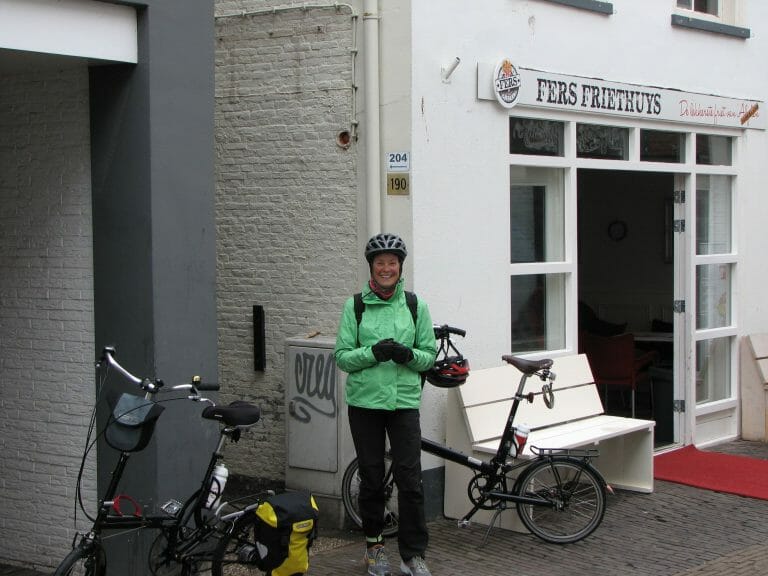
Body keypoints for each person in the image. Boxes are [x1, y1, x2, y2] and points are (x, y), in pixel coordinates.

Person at [335, 233, 438, 576]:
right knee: (372, 479)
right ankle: (374, 549)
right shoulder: (355, 306)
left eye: (392, 263)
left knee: (410, 480)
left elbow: (429, 356)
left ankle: (412, 556)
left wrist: (408, 355)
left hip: (403, 403)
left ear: (400, 267)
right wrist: (373, 353)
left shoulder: (415, 306)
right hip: (365, 404)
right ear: (371, 267)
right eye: (380, 263)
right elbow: (342, 357)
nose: (386, 268)